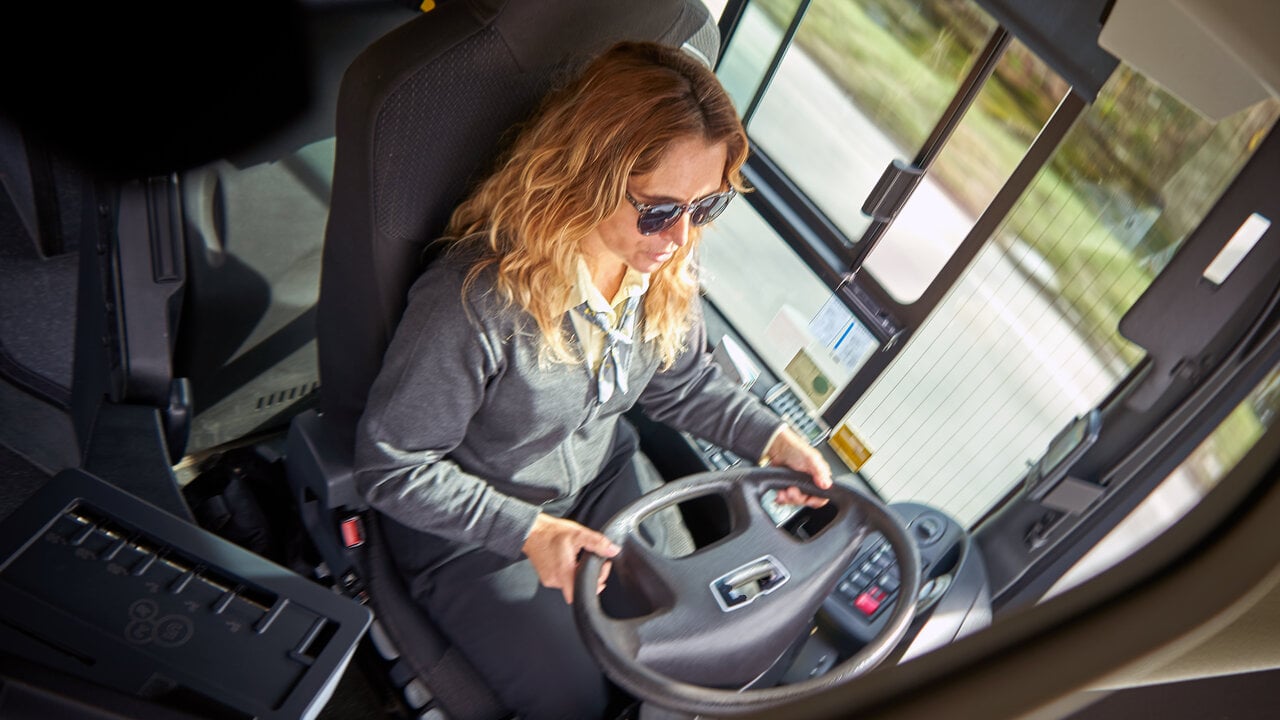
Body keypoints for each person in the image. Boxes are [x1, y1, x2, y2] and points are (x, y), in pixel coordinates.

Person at [353, 40, 832, 719]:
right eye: (661, 210)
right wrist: (527, 531)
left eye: (705, 209)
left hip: (601, 483)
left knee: (685, 645)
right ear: (591, 175)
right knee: (579, 701)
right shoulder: (472, 304)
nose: (681, 240)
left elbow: (680, 383)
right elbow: (391, 466)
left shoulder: (660, 271)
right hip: (475, 534)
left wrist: (771, 437)